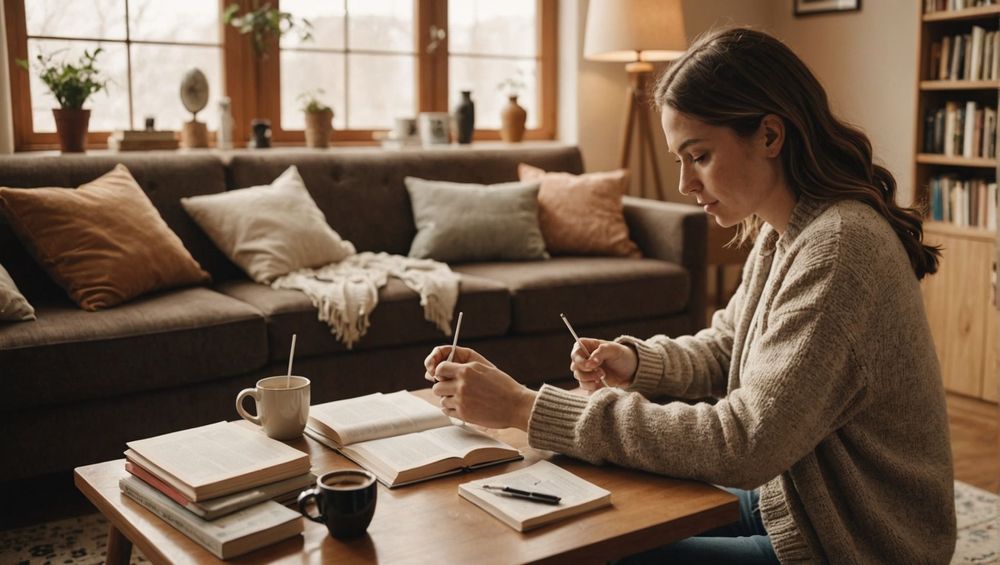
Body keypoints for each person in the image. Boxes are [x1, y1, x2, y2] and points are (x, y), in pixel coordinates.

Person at [425, 26, 956, 564]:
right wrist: (638, 362)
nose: (683, 183)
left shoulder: (839, 249)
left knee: (586, 550)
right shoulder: (785, 231)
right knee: (587, 490)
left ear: (770, 136)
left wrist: (523, 406)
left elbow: (744, 442)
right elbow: (730, 347)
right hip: (796, 498)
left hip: (854, 542)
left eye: (698, 156)